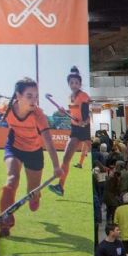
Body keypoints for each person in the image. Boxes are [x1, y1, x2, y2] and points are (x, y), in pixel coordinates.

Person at [0, 78, 63, 237]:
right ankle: (5, 224)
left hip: (34, 152)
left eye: (36, 96)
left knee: (32, 195)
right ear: (18, 95)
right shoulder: (7, 108)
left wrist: (56, 166)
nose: (34, 100)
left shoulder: (38, 114)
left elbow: (48, 142)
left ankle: (35, 196)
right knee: (12, 179)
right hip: (14, 148)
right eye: (29, 96)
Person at [49, 67, 91, 197]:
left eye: (76, 83)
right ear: (69, 84)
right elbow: (72, 113)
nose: (74, 85)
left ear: (80, 84)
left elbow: (88, 113)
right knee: (66, 158)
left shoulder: (84, 96)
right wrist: (64, 112)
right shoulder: (69, 97)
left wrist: (84, 122)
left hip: (86, 129)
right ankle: (60, 186)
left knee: (93, 154)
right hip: (75, 129)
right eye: (72, 83)